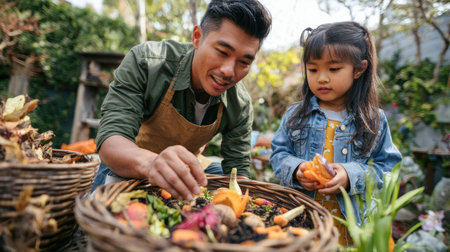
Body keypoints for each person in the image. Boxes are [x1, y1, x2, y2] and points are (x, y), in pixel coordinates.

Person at [92, 0, 272, 201]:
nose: (229, 71)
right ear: (197, 38)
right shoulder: (147, 63)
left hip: (185, 171)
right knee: (102, 215)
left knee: (221, 177)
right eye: (222, 52)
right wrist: (152, 164)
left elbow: (237, 171)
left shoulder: (240, 103)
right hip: (130, 164)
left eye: (244, 62)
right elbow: (111, 142)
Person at [269, 21, 402, 246]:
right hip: (304, 220)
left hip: (351, 227)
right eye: (313, 69)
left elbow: (389, 168)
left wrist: (351, 175)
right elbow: (278, 153)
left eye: (333, 69)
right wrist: (297, 170)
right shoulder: (296, 115)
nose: (321, 78)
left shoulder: (373, 119)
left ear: (359, 69)